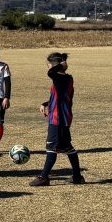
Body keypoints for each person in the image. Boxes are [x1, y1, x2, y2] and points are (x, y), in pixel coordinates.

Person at [29, 52, 85, 186]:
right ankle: (77, 176)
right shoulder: (66, 79)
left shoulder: (60, 78)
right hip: (63, 118)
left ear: (54, 66)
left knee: (51, 148)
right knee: (67, 147)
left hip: (57, 119)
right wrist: (46, 104)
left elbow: (51, 73)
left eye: (48, 65)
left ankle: (44, 177)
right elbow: (60, 98)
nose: (47, 68)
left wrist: (59, 66)